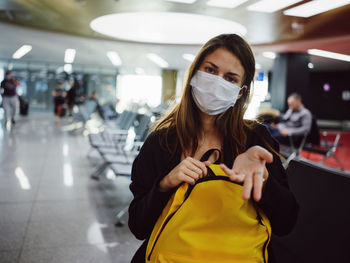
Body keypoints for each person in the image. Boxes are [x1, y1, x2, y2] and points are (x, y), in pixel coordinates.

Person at [128, 34, 298, 263]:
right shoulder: (161, 141)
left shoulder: (256, 140)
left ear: (240, 92)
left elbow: (286, 223)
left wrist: (264, 180)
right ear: (194, 75)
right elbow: (138, 226)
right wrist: (166, 184)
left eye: (230, 78)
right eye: (210, 70)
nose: (218, 82)